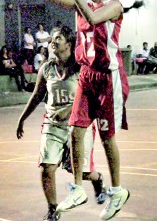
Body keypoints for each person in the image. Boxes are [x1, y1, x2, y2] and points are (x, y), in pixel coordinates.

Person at [42, 0, 130, 220]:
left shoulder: (114, 6)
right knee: (75, 129)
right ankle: (78, 188)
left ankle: (116, 191)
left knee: (106, 138)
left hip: (108, 78)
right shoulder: (84, 4)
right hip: (87, 75)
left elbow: (93, 19)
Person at [16, 26, 107, 221]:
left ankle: (97, 179)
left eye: (58, 38)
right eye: (52, 39)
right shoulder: (47, 68)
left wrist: (70, 110)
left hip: (79, 126)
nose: (53, 42)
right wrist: (22, 119)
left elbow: (92, 97)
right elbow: (37, 96)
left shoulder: (80, 67)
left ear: (69, 43)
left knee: (80, 173)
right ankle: (52, 209)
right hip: (53, 124)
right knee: (46, 167)